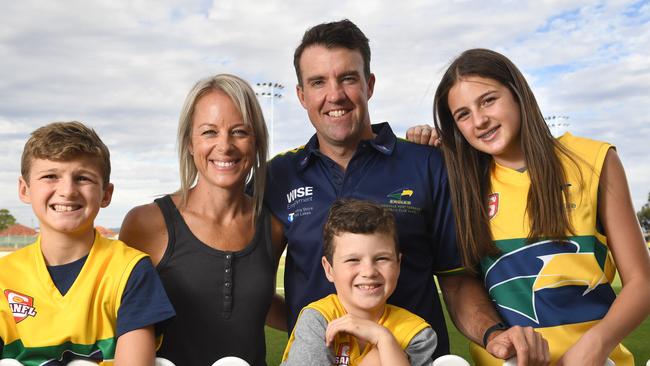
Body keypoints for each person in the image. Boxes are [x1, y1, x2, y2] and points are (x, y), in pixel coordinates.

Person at [265, 19, 548, 364]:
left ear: (369, 85)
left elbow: (456, 282)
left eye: (348, 78)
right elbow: (252, 286)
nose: (334, 95)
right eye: (318, 82)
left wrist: (493, 333)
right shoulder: (278, 175)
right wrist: (305, 324)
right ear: (301, 95)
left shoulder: (427, 164)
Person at [408, 48, 650, 365]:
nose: (479, 121)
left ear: (518, 94)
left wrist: (595, 345)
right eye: (463, 114)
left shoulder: (594, 160)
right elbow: (460, 283)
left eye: (488, 100)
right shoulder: (460, 183)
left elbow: (641, 282)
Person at [119, 74, 286, 366]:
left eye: (239, 132)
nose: (225, 146)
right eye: (210, 132)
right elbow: (117, 323)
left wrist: (333, 317)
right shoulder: (145, 224)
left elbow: (257, 302)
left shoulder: (272, 227)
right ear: (189, 143)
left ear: (257, 142)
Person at [0, 121, 175, 365]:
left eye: (82, 178)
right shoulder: (4, 277)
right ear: (24, 189)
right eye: (50, 176)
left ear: (106, 194)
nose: (67, 191)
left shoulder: (130, 271)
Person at [281, 199, 437, 366]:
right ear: (329, 269)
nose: (369, 272)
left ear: (398, 265)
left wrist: (383, 338)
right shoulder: (318, 320)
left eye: (382, 258)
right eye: (353, 260)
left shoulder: (415, 333)